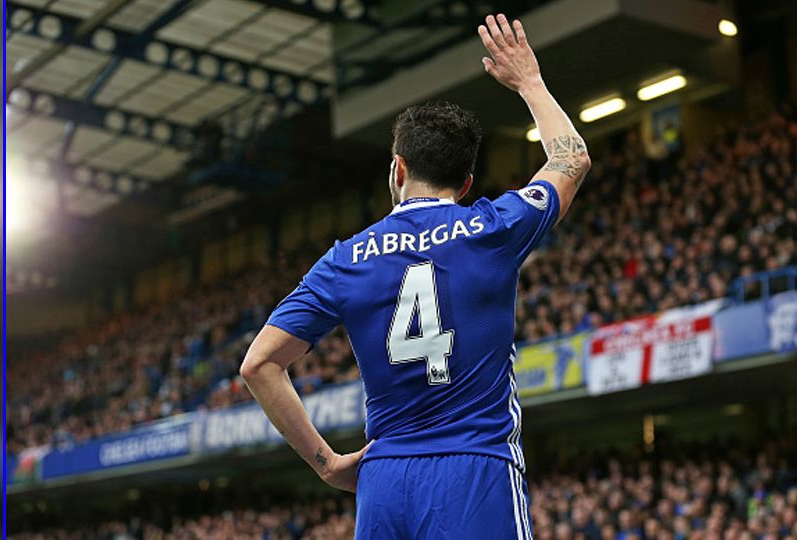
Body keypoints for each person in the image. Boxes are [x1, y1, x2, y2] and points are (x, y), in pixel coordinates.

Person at [240, 13, 591, 539]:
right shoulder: (490, 227)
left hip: (384, 481)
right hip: (475, 468)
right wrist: (530, 82)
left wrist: (327, 463)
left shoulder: (346, 259)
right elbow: (572, 159)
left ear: (398, 170)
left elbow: (259, 364)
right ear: (467, 181)